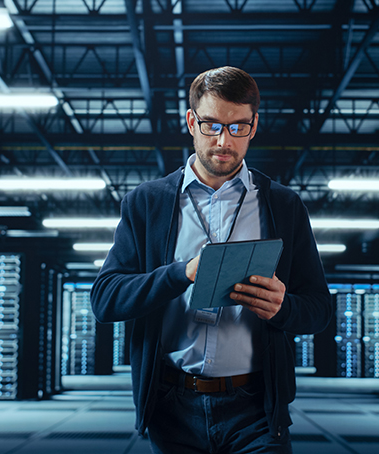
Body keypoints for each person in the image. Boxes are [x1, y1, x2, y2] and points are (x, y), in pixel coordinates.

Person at [91, 66, 332, 453]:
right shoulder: (147, 203)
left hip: (256, 407)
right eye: (211, 125)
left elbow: (320, 310)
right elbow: (105, 300)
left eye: (238, 127)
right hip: (172, 405)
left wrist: (283, 308)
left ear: (253, 126)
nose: (223, 140)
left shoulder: (283, 206)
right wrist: (181, 273)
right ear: (191, 121)